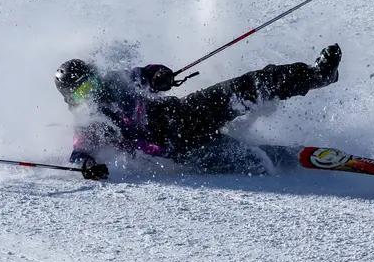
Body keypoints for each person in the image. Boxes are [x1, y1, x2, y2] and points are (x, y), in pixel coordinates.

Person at [54, 44, 342, 180]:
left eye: (90, 83)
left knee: (248, 86)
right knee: (255, 160)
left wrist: (161, 76)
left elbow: (147, 73)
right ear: (72, 99)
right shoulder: (91, 121)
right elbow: (81, 152)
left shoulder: (118, 81)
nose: (91, 92)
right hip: (186, 149)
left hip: (186, 113)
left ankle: (317, 75)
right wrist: (87, 167)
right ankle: (296, 158)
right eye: (81, 92)